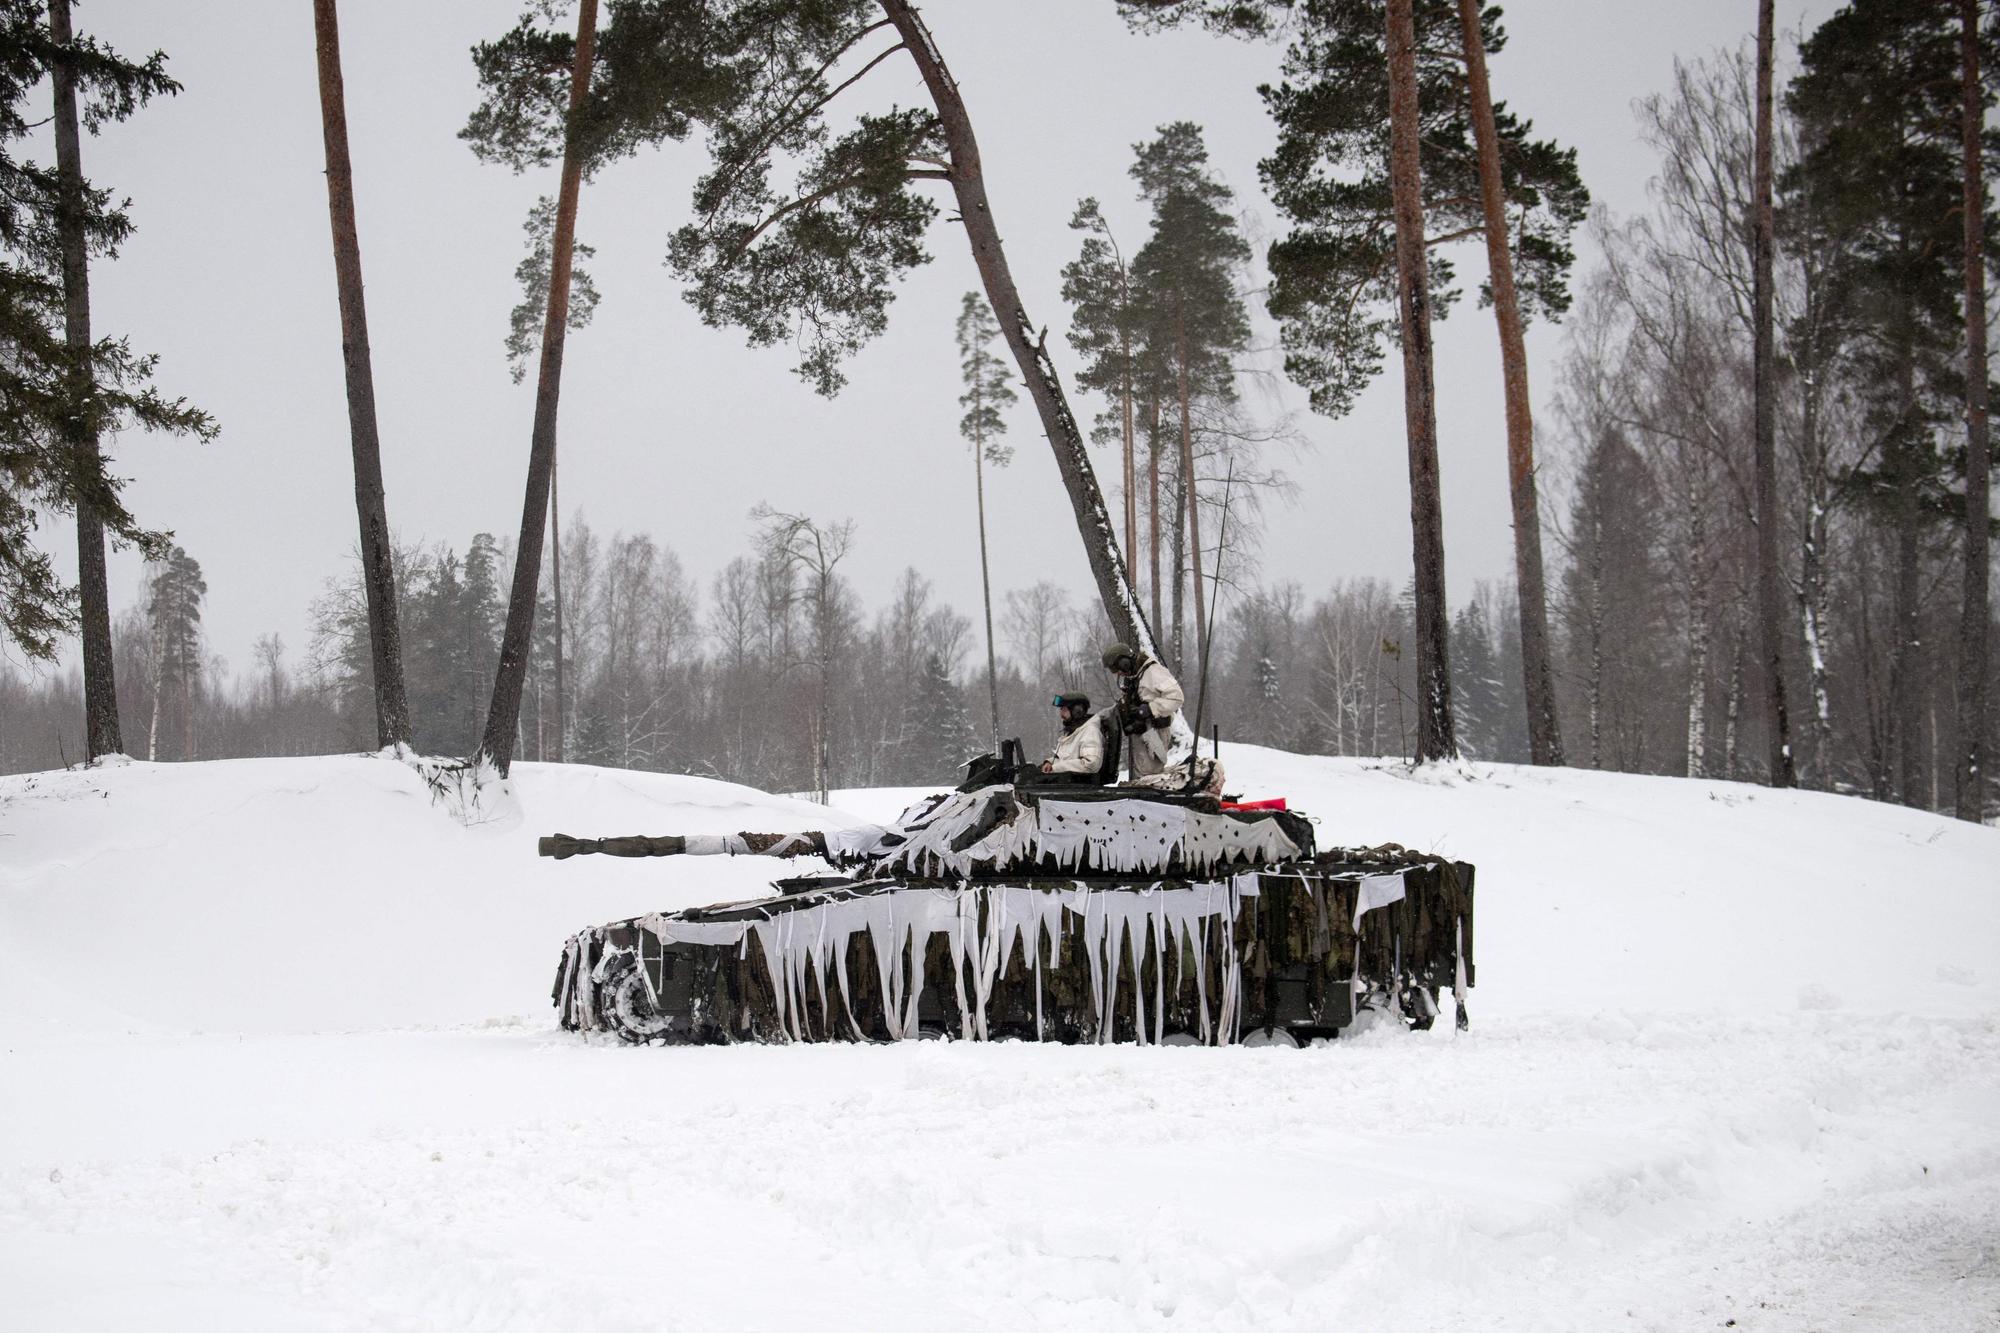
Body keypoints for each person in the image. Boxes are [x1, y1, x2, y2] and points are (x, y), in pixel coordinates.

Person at [1101, 641, 1224, 795]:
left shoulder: (1153, 672)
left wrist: (1150, 709)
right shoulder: (1136, 675)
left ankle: (1153, 805)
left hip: (1154, 733)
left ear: (1124, 661)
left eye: (1116, 668)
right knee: (1142, 778)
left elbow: (1177, 697)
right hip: (1141, 733)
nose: (1117, 673)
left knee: (1150, 778)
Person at [1036, 692, 1105, 782]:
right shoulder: (1073, 732)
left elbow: (1090, 764)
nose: (1061, 714)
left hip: (1079, 787)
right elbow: (1066, 760)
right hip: (1068, 783)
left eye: (1064, 709)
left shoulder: (1090, 731)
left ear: (1077, 711)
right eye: (1061, 709)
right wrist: (1050, 763)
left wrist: (1056, 769)